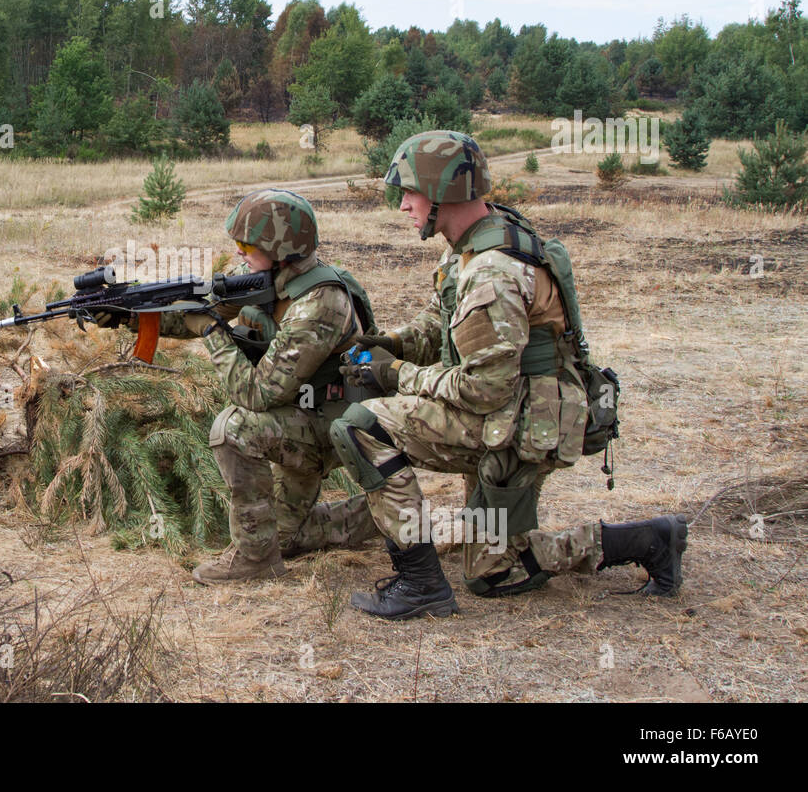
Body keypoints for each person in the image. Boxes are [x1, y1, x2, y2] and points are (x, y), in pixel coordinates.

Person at [322, 130, 686, 620]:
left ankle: (420, 582)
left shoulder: (492, 271)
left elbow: (480, 388)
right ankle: (651, 539)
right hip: (517, 416)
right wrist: (391, 344)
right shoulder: (474, 241)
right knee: (495, 575)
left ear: (443, 191)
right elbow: (440, 321)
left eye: (410, 192)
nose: (403, 205)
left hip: (514, 426)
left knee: (359, 425)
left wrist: (398, 375)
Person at [102, 189, 381, 583]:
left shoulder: (320, 304)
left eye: (246, 245)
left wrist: (213, 332)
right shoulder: (270, 279)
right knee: (284, 537)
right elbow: (201, 311)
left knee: (234, 427)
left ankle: (254, 559)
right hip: (302, 415)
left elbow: (255, 393)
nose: (238, 253)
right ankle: (379, 517)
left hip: (334, 428)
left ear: (281, 248)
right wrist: (127, 316)